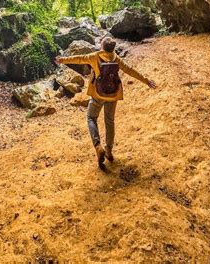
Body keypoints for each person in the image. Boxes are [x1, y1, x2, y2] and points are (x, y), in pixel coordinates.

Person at [55, 36, 156, 170]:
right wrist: (146, 81)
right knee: (109, 121)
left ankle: (98, 146)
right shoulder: (116, 58)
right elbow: (130, 70)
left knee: (91, 117)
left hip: (98, 94)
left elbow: (79, 58)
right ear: (113, 48)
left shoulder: (95, 56)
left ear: (102, 46)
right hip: (113, 94)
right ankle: (108, 150)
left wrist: (62, 60)